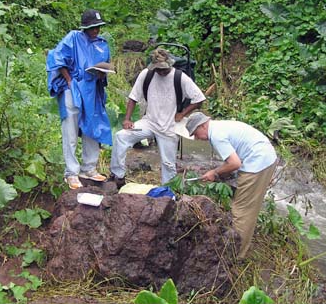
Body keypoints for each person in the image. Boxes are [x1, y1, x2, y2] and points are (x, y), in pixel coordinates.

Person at [109, 48, 206, 188]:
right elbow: (133, 97)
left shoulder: (180, 77)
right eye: (158, 70)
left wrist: (183, 113)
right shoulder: (146, 75)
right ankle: (118, 176)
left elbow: (199, 99)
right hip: (149, 122)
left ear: (170, 65)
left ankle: (168, 190)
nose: (160, 72)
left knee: (168, 164)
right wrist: (127, 119)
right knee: (121, 136)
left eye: (163, 70)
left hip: (169, 126)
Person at [185, 112, 277, 258]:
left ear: (202, 125)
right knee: (249, 208)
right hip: (266, 157)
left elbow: (234, 163)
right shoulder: (221, 126)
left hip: (258, 162)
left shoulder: (216, 135)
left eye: (196, 134)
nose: (197, 139)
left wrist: (214, 172)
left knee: (241, 210)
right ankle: (241, 246)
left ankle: (236, 255)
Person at [46, 9, 113, 190]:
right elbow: (56, 57)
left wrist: (101, 74)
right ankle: (71, 173)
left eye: (98, 27)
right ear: (85, 27)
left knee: (92, 126)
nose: (96, 31)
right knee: (71, 128)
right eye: (92, 27)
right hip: (73, 88)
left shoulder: (102, 44)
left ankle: (89, 168)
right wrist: (68, 80)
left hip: (92, 90)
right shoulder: (73, 38)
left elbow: (105, 66)